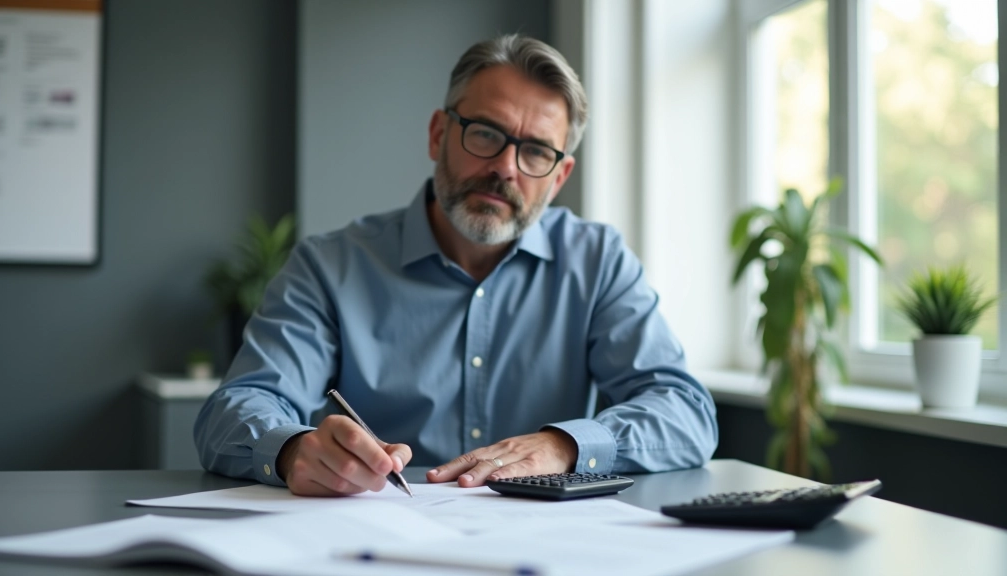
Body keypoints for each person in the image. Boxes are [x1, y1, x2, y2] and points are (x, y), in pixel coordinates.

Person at [194, 34, 718, 497]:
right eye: (486, 134)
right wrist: (293, 450)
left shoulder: (598, 262)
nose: (505, 169)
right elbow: (237, 406)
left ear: (559, 178)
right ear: (438, 134)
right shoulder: (331, 266)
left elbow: (684, 412)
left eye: (536, 152)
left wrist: (566, 445)